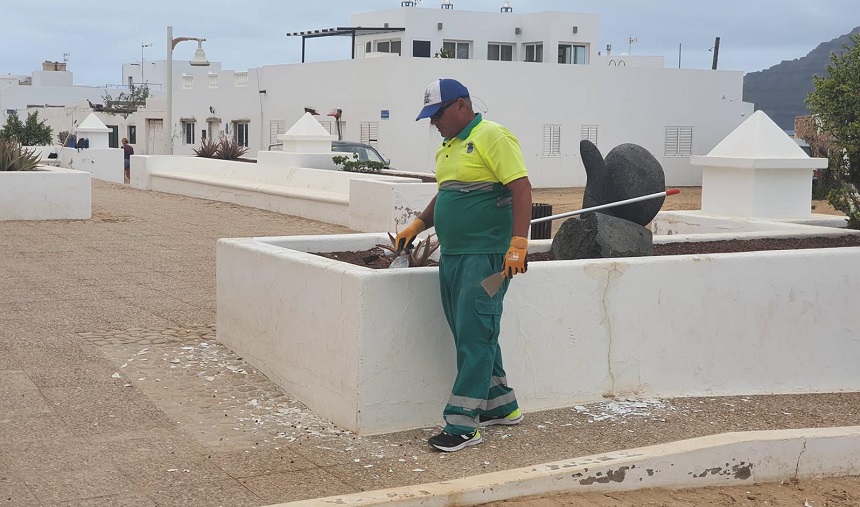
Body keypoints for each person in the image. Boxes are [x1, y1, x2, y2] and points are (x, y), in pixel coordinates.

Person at [395, 78, 533, 452]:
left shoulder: (493, 136)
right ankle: (501, 405)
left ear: (461, 106)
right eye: (429, 117)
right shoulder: (449, 147)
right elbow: (447, 194)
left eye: (437, 114)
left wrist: (519, 243)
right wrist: (419, 224)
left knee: (475, 333)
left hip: (485, 257)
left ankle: (462, 424)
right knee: (470, 331)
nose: (433, 123)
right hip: (454, 255)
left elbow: (521, 188)